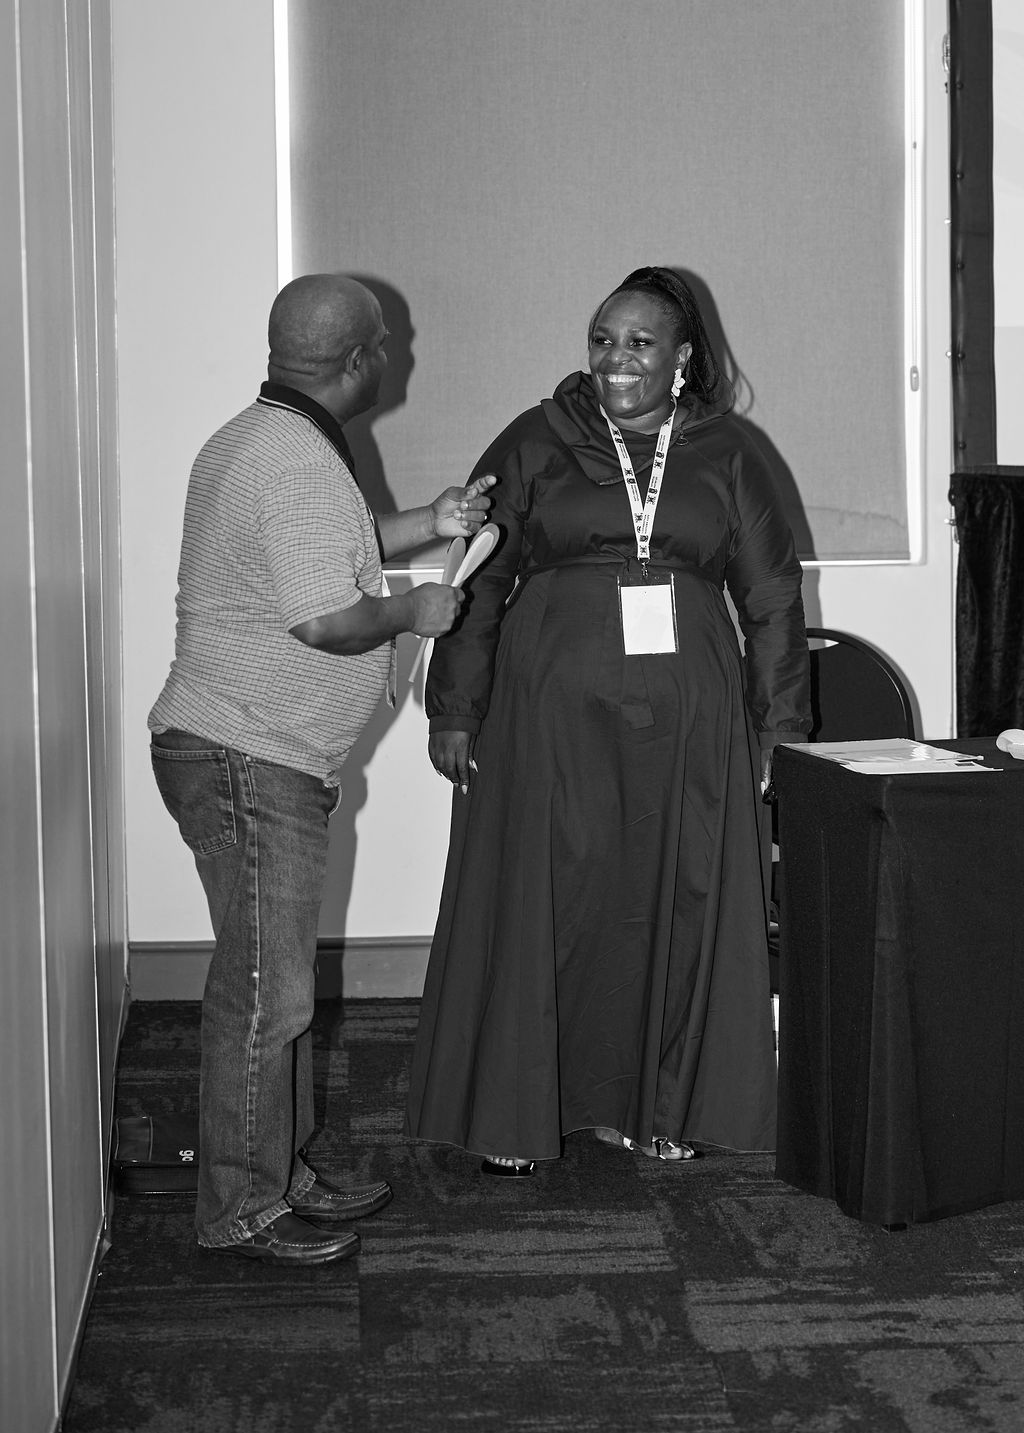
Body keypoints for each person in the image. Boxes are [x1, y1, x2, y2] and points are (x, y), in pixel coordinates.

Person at [405, 265, 811, 1176]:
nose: (615, 358)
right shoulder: (534, 439)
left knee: (673, 900)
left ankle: (659, 1107)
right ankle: (518, 1113)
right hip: (547, 718)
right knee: (548, 898)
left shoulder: (730, 451)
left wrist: (779, 726)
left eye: (638, 342)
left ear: (682, 356)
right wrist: (455, 706)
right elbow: (478, 577)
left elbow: (773, 598)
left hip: (691, 721)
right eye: (601, 339)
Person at [149, 273, 495, 1262]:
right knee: (267, 994)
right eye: (387, 342)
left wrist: (430, 521)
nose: (395, 356)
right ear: (357, 360)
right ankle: (240, 1207)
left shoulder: (260, 438)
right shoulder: (296, 459)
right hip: (247, 756)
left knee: (278, 985)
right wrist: (415, 610)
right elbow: (324, 617)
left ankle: (279, 1171)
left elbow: (325, 553)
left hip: (244, 750)